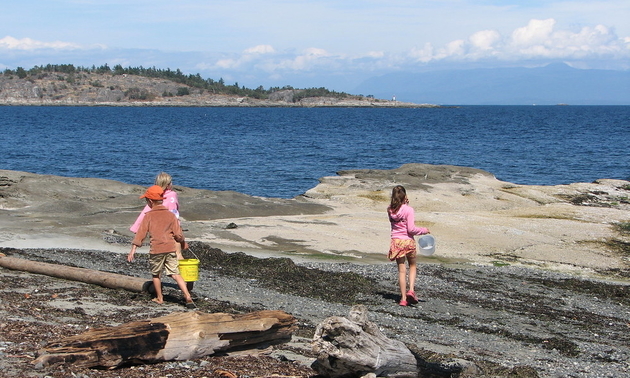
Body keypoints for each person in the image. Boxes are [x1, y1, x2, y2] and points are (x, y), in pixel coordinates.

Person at [127, 185, 195, 309]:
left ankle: (160, 298)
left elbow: (140, 234)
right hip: (170, 248)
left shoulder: (148, 216)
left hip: (156, 250)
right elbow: (178, 234)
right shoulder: (170, 215)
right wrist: (183, 243)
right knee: (175, 273)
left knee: (156, 275)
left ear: (150, 201)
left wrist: (133, 250)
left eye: (146, 200)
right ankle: (187, 296)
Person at [387, 185, 430, 306]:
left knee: (401, 270)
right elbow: (411, 229)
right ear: (405, 196)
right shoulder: (408, 210)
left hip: (396, 241)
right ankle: (411, 290)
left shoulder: (390, 209)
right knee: (412, 265)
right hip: (408, 241)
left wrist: (402, 204)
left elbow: (397, 214)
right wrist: (423, 230)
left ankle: (403, 299)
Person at [130, 172, 183, 259]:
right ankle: (180, 267)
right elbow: (174, 211)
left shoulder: (155, 196)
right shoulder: (172, 195)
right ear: (167, 185)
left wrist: (137, 228)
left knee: (160, 258)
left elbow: (145, 213)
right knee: (177, 254)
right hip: (171, 227)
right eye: (171, 183)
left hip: (158, 230)